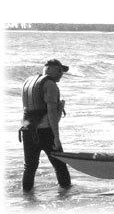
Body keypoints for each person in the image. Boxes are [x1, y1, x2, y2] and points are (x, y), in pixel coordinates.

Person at [20, 59, 72, 191]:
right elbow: (51, 114)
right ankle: (66, 197)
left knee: (30, 167)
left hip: (27, 129)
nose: (61, 74)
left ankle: (27, 198)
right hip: (46, 132)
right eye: (59, 70)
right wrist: (56, 137)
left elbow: (29, 110)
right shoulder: (50, 85)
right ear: (49, 69)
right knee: (60, 165)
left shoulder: (28, 82)